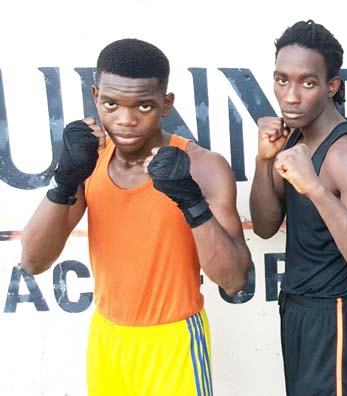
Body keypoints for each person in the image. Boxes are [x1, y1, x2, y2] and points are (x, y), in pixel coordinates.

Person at [21, 38, 251, 396]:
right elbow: (33, 261)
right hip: (106, 338)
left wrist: (190, 201)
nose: (125, 121)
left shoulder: (204, 167)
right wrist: (64, 180)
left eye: (143, 105)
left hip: (173, 341)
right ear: (96, 96)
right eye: (111, 104)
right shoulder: (90, 160)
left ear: (166, 104)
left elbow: (234, 280)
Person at [249, 20, 347, 396]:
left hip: (337, 314)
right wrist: (265, 161)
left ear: (331, 86)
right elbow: (265, 226)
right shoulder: (293, 138)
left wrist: (314, 188)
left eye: (307, 83)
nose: (290, 96)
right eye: (282, 80)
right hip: (298, 308)